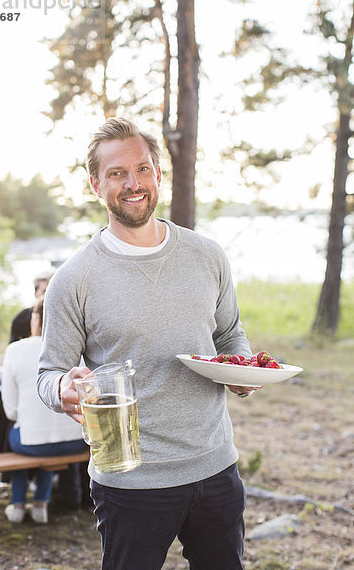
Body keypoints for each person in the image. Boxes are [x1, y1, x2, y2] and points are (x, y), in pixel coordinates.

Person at [37, 117, 256, 569]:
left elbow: (229, 333)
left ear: (158, 174)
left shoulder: (207, 254)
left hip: (215, 467)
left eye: (142, 169)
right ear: (97, 185)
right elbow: (48, 373)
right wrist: (65, 388)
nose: (132, 183)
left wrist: (244, 369)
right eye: (117, 173)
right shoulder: (73, 279)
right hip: (129, 483)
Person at [2, 296, 86, 524]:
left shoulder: (15, 350)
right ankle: (40, 505)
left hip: (32, 445)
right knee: (46, 437)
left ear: (36, 318)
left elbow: (10, 411)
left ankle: (18, 505)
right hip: (75, 441)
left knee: (24, 436)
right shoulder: (78, 349)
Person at [9, 268, 55, 343]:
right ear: (36, 294)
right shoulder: (20, 320)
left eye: (52, 292)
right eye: (44, 292)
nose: (48, 297)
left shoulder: (64, 319)